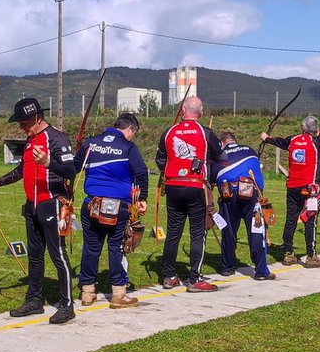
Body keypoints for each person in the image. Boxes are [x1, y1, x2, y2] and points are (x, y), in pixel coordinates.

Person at [0, 97, 78, 324]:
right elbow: (22, 169)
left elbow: (70, 170)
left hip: (52, 202)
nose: (21, 126)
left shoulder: (56, 139)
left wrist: (47, 163)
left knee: (58, 254)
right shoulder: (29, 140)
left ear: (36, 117)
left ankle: (67, 305)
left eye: (24, 122)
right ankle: (34, 300)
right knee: (35, 255)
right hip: (31, 205)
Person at [74, 113, 148, 309]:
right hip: (117, 207)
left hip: (92, 204)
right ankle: (119, 294)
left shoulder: (91, 143)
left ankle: (87, 292)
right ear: (130, 129)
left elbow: (74, 167)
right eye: (134, 133)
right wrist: (142, 198)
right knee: (116, 247)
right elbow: (141, 172)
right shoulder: (127, 146)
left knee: (91, 248)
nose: (133, 137)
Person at [155, 96, 223, 292]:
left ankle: (169, 276)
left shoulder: (169, 131)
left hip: (174, 186)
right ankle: (195, 279)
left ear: (182, 109)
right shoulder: (205, 132)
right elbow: (221, 157)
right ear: (200, 113)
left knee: (173, 233)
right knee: (197, 233)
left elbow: (160, 160)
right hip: (195, 187)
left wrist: (175, 167)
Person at [260, 116, 320, 267]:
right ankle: (311, 256)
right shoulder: (318, 142)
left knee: (291, 220)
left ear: (302, 128)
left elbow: (278, 141)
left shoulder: (293, 140)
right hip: (310, 189)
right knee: (310, 221)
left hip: (292, 187)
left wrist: (266, 138)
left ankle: (288, 253)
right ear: (316, 130)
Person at [215, 132, 275, 280]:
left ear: (222, 143)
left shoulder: (218, 155)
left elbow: (213, 179)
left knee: (228, 232)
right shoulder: (249, 150)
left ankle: (227, 267)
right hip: (250, 193)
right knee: (256, 231)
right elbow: (258, 177)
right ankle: (261, 271)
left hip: (228, 194)